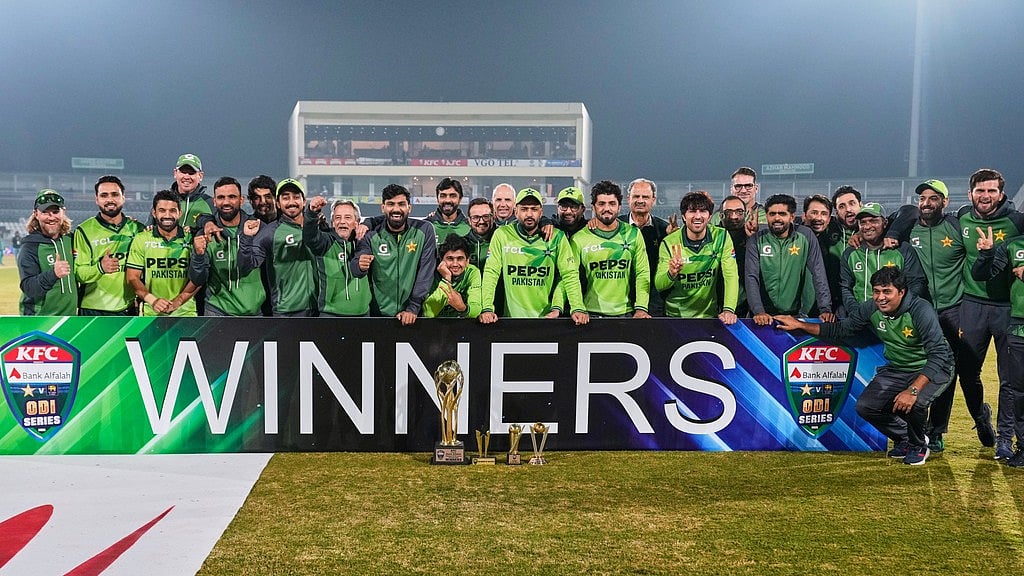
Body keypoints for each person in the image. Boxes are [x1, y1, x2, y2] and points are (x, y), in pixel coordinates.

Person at [775, 267, 952, 466]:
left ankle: (919, 446)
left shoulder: (921, 310)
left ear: (901, 292)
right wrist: (801, 325)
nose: (881, 298)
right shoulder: (871, 308)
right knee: (866, 406)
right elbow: (843, 329)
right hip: (899, 367)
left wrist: (912, 390)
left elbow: (938, 354)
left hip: (936, 367)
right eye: (876, 292)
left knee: (917, 402)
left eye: (887, 292)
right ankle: (906, 438)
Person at [955, 168, 1024, 459]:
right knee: (967, 372)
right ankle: (981, 417)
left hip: (1008, 307)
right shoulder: (960, 216)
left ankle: (1006, 439)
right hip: (971, 304)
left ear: (1002, 194)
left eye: (992, 191)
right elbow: (909, 216)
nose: (986, 196)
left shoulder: (1017, 221)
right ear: (971, 193)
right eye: (980, 191)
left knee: (1009, 379)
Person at [479, 188, 588, 324]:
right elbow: (491, 272)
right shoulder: (502, 235)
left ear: (541, 212)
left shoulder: (557, 237)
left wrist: (577, 307)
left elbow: (569, 274)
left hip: (547, 320)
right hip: (512, 322)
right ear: (516, 211)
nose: (529, 214)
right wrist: (487, 308)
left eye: (534, 209)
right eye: (524, 209)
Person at [971, 225, 1024, 466]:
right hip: (1018, 323)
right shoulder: (1013, 245)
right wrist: (986, 254)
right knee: (1017, 388)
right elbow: (982, 274)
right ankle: (1017, 444)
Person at [352, 184, 436, 325]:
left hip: (414, 316)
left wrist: (413, 308)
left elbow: (425, 273)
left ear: (409, 207)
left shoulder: (424, 230)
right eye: (391, 204)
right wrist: (359, 266)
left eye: (401, 204)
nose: (396, 209)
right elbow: (356, 266)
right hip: (378, 317)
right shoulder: (370, 235)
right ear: (383, 207)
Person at [746, 194, 833, 325]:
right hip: (762, 317)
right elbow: (751, 277)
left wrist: (825, 308)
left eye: (782, 214)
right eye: (772, 214)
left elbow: (818, 273)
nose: (777, 218)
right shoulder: (756, 240)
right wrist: (758, 311)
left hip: (797, 316)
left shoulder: (806, 236)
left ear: (792, 216)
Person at [238, 178, 318, 317]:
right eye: (286, 198)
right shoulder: (269, 233)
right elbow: (246, 266)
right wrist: (247, 238)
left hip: (320, 310)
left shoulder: (318, 227)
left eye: (296, 197)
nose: (292, 202)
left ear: (304, 201)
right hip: (287, 311)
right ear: (278, 203)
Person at [188, 177, 267, 316]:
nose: (226, 202)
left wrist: (247, 237)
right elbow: (198, 279)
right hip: (217, 311)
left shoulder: (257, 228)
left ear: (241, 200)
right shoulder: (206, 233)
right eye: (221, 197)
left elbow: (251, 267)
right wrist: (198, 256)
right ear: (214, 201)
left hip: (254, 312)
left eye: (232, 197)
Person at [571, 180, 650, 317]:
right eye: (601, 204)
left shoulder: (633, 234)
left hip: (626, 313)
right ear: (594, 207)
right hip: (591, 314)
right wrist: (577, 308)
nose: (607, 208)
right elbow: (570, 277)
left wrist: (641, 307)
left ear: (619, 207)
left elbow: (642, 273)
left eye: (612, 204)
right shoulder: (579, 239)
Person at [657, 192, 737, 322]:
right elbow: (659, 284)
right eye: (692, 211)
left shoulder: (721, 237)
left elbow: (731, 275)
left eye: (703, 211)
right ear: (683, 216)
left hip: (709, 316)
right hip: (675, 317)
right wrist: (671, 273)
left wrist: (728, 309)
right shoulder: (669, 242)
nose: (698, 216)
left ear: (710, 216)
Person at [73, 175, 144, 315]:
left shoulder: (138, 229)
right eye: (104, 195)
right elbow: (78, 273)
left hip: (128, 307)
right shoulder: (84, 230)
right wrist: (100, 267)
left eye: (115, 194)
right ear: (97, 199)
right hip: (93, 309)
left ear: (123, 197)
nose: (110, 200)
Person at [126, 190, 203, 317]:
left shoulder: (191, 239)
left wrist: (178, 302)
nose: (167, 215)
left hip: (186, 312)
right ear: (154, 213)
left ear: (180, 213)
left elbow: (199, 278)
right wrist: (153, 300)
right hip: (151, 312)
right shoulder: (142, 239)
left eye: (172, 210)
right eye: (162, 210)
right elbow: (132, 277)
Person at [838, 203, 926, 311]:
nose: (867, 226)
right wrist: (857, 313)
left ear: (885, 223)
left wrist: (903, 309)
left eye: (873, 221)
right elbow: (846, 287)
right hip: (862, 319)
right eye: (863, 222)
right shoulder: (850, 253)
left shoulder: (902, 250)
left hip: (898, 317)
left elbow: (916, 283)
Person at [303, 196, 370, 316]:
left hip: (363, 315)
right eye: (337, 218)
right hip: (330, 315)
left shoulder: (365, 241)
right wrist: (312, 213)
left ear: (357, 222)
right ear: (333, 222)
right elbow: (310, 237)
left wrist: (368, 224)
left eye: (348, 217)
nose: (342, 221)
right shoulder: (326, 241)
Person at [17, 190, 76, 316]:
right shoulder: (29, 247)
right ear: (36, 214)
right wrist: (53, 274)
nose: (51, 217)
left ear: (63, 212)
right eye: (45, 212)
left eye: (55, 212)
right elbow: (29, 288)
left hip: (69, 319)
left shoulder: (71, 240)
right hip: (38, 320)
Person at [621, 178, 673, 316]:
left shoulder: (664, 230)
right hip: (620, 299)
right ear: (628, 199)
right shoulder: (615, 225)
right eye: (636, 196)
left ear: (653, 200)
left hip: (653, 301)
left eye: (645, 197)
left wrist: (674, 239)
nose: (640, 200)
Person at [801, 194, 844, 317]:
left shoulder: (830, 243)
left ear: (829, 219)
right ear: (804, 215)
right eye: (814, 213)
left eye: (824, 214)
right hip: (796, 311)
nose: (819, 218)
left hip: (823, 311)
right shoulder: (792, 238)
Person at [423, 234, 482, 318]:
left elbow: (476, 310)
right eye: (450, 258)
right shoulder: (432, 272)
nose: (455, 264)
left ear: (467, 261)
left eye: (460, 258)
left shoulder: (472, 272)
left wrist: (462, 308)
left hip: (463, 326)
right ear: (441, 260)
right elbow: (428, 313)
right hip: (435, 326)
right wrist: (446, 279)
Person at [717, 195, 753, 317]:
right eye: (728, 212)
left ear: (745, 213)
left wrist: (753, 238)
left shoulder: (753, 237)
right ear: (720, 215)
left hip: (745, 305)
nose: (734, 216)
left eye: (739, 212)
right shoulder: (711, 236)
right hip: (714, 303)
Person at [171, 153, 214, 229]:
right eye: (183, 172)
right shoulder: (163, 201)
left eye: (191, 173)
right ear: (175, 173)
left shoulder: (211, 203)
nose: (187, 177)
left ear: (200, 176)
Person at [426, 177, 470, 245]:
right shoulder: (426, 226)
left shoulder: (470, 227)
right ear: (437, 199)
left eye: (453, 196)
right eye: (443, 196)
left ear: (460, 199)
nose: (448, 200)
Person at [464, 198, 495, 269]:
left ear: (493, 217)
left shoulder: (502, 241)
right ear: (469, 220)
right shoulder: (462, 244)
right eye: (475, 217)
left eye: (486, 217)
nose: (481, 221)